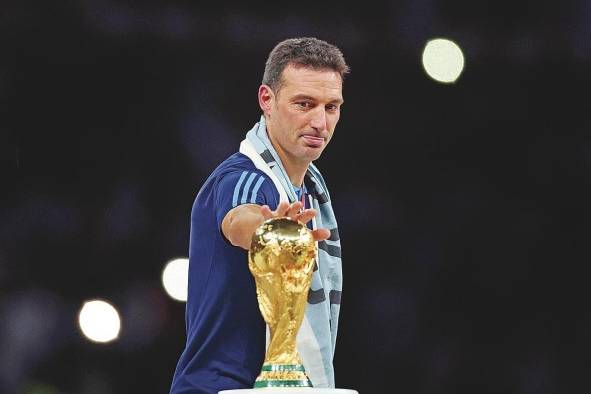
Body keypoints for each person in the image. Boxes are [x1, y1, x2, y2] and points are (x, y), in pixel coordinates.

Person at [170, 37, 349, 394]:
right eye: (304, 104)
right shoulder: (245, 176)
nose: (319, 122)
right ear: (267, 100)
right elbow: (240, 220)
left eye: (331, 107)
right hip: (220, 388)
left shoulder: (309, 191)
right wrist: (273, 231)